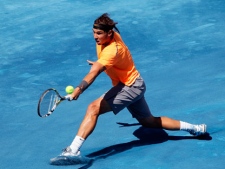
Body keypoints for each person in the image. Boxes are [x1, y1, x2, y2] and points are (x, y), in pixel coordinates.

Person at [53, 13, 206, 161]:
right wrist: (101, 64)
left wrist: (79, 89)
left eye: (99, 33)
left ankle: (73, 150)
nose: (95, 37)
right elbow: (102, 63)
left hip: (129, 87)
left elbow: (94, 73)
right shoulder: (108, 39)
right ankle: (195, 128)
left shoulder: (112, 50)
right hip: (136, 84)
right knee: (149, 122)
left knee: (93, 109)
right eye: (93, 32)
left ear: (109, 33)